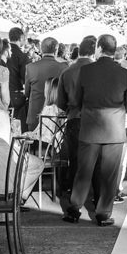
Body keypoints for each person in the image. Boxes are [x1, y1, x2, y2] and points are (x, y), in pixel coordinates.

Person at [63, 34, 127, 227]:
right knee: (110, 174)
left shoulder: (86, 71)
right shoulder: (123, 73)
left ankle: (74, 209)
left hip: (90, 127)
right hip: (114, 129)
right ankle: (103, 214)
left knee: (84, 171)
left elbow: (76, 101)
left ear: (99, 48)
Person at [56, 36, 95, 191]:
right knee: (95, 158)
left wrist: (70, 110)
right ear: (94, 51)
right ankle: (92, 190)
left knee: (75, 157)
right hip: (94, 119)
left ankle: (75, 189)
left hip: (73, 117)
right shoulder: (97, 70)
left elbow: (60, 102)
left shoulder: (67, 71)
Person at [26, 36, 68, 131]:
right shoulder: (64, 68)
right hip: (55, 118)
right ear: (56, 50)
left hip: (35, 115)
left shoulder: (30, 67)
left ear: (41, 49)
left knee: (33, 145)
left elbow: (27, 93)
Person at [7, 27, 32, 133]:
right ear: (21, 38)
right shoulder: (22, 56)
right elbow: (26, 78)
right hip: (15, 95)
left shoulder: (2, 52)